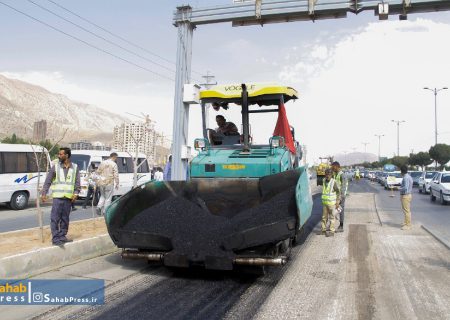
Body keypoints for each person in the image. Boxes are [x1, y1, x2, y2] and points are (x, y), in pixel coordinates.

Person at [41, 147, 80, 246]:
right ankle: (55, 238)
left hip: (68, 198)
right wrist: (44, 193)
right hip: (58, 198)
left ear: (66, 155)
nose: (59, 156)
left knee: (65, 218)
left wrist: (76, 193)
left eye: (61, 154)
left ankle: (62, 236)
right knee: (55, 218)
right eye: (58, 154)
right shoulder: (55, 167)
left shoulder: (75, 167)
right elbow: (48, 181)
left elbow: (77, 182)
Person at [320, 168, 340, 237]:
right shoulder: (323, 180)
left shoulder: (333, 182)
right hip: (325, 203)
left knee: (332, 217)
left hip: (332, 204)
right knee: (324, 217)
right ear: (325, 174)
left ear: (331, 175)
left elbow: (338, 192)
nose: (327, 176)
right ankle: (323, 230)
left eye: (329, 174)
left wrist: (337, 202)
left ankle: (332, 231)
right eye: (326, 174)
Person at [332, 161, 348, 233]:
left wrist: (339, 199)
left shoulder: (342, 175)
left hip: (341, 196)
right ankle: (332, 224)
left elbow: (343, 188)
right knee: (335, 210)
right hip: (336, 195)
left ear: (336, 166)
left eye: (333, 167)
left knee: (340, 211)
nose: (332, 168)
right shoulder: (336, 174)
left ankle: (341, 226)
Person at [399, 165, 413, 230]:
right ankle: (406, 222)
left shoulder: (406, 178)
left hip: (405, 196)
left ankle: (408, 225)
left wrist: (399, 188)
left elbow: (406, 188)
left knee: (407, 211)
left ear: (401, 171)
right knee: (405, 210)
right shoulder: (408, 176)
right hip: (406, 195)